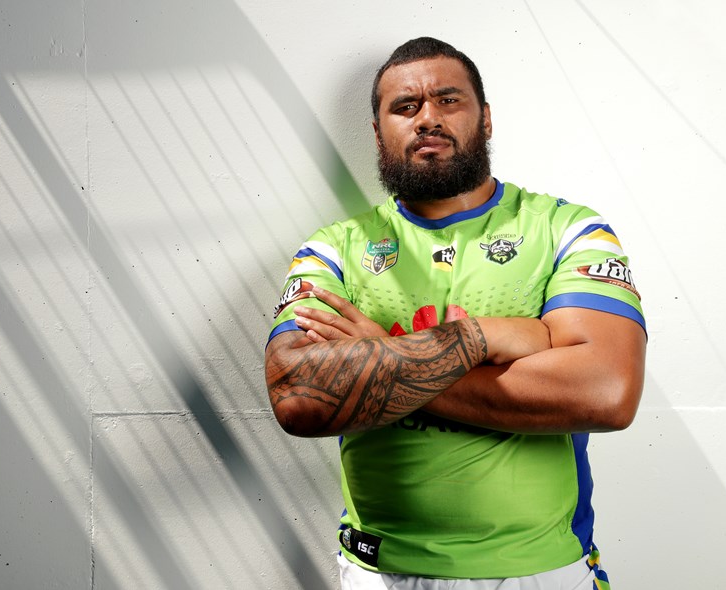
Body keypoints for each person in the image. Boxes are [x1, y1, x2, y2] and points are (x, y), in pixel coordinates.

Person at [264, 37, 646, 590]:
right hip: (381, 570)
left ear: (485, 118)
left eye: (448, 100)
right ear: (378, 132)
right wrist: (483, 337)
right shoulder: (334, 249)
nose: (428, 118)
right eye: (405, 106)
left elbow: (606, 392)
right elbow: (299, 395)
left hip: (541, 569)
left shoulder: (568, 229)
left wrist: (377, 355)